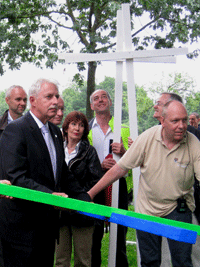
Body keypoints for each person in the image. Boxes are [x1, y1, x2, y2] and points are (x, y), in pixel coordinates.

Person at [88, 100, 200, 267]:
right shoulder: (147, 138)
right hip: (146, 210)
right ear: (162, 120)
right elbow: (119, 169)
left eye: (184, 120)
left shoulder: (193, 142)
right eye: (175, 121)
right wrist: (90, 194)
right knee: (149, 262)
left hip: (179, 208)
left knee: (183, 261)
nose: (182, 126)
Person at [0, 78, 67, 267]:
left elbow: (62, 172)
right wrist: (51, 196)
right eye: (49, 96)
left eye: (56, 96)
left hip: (47, 226)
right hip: (22, 229)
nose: (55, 101)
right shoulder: (16, 130)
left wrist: (86, 196)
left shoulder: (55, 131)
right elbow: (16, 177)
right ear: (33, 100)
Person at [55, 111, 102, 267]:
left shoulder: (90, 152)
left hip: (82, 211)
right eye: (73, 124)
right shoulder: (56, 149)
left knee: (83, 260)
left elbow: (95, 181)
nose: (77, 128)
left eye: (81, 125)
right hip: (60, 210)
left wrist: (79, 198)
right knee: (61, 260)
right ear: (66, 127)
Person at [88, 89, 130, 267]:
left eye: (104, 97)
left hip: (118, 187)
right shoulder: (86, 129)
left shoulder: (125, 129)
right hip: (95, 186)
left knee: (119, 235)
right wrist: (99, 167)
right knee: (94, 236)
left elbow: (136, 162)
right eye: (96, 99)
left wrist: (125, 152)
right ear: (91, 106)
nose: (100, 100)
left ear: (110, 102)